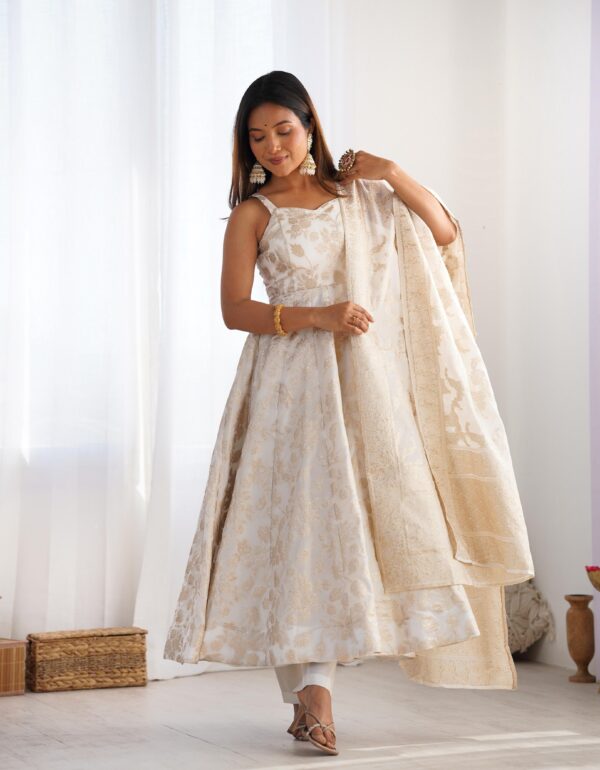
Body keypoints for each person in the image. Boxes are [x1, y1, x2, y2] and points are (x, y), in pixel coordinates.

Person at [163, 70, 535, 757]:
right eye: (257, 137)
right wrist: (319, 315)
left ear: (310, 127)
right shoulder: (254, 214)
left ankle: (313, 692)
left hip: (365, 385)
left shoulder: (359, 196)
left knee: (355, 533)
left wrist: (393, 172)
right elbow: (235, 310)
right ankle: (314, 694)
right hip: (288, 389)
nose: (273, 146)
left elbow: (444, 234)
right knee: (303, 533)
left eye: (284, 130)